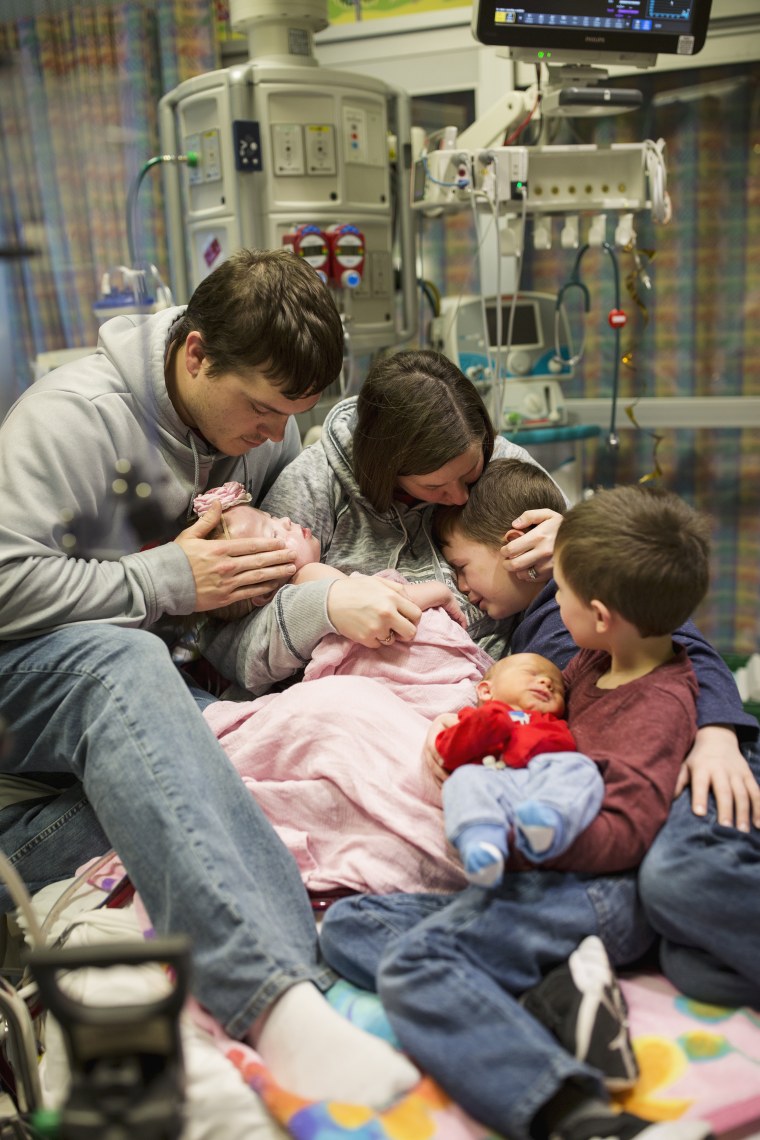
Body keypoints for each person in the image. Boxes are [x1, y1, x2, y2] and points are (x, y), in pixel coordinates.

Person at [0, 248, 423, 1108]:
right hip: (30, 695)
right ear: (195, 353)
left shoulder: (267, 437)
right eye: (262, 410)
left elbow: (241, 624)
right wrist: (167, 581)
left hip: (87, 778)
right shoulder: (73, 419)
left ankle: (328, 964)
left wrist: (313, 590)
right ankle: (272, 1005)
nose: (273, 437)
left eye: (291, 417)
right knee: (124, 660)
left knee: (264, 735)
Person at [320, 483, 720, 1140]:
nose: (550, 602)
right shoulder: (599, 661)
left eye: (558, 591)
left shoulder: (658, 704)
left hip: (601, 895)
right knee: (350, 926)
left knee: (414, 965)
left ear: (597, 614)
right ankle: (554, 992)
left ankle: (577, 1115)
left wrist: (523, 838)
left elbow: (626, 834)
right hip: (552, 879)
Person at [198, 349, 565, 694]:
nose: (460, 497)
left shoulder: (503, 463)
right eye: (434, 486)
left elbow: (596, 574)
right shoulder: (315, 487)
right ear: (386, 470)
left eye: (470, 474)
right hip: (362, 704)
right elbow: (229, 647)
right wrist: (324, 606)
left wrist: (570, 547)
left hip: (495, 695)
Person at [438, 652, 604, 885]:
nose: (547, 683)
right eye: (532, 674)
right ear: (487, 691)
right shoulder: (471, 717)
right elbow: (449, 753)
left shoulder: (551, 723)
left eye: (556, 687)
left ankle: (549, 820)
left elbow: (562, 746)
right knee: (463, 780)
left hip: (540, 782)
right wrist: (485, 725)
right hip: (493, 780)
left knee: (580, 767)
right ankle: (483, 845)